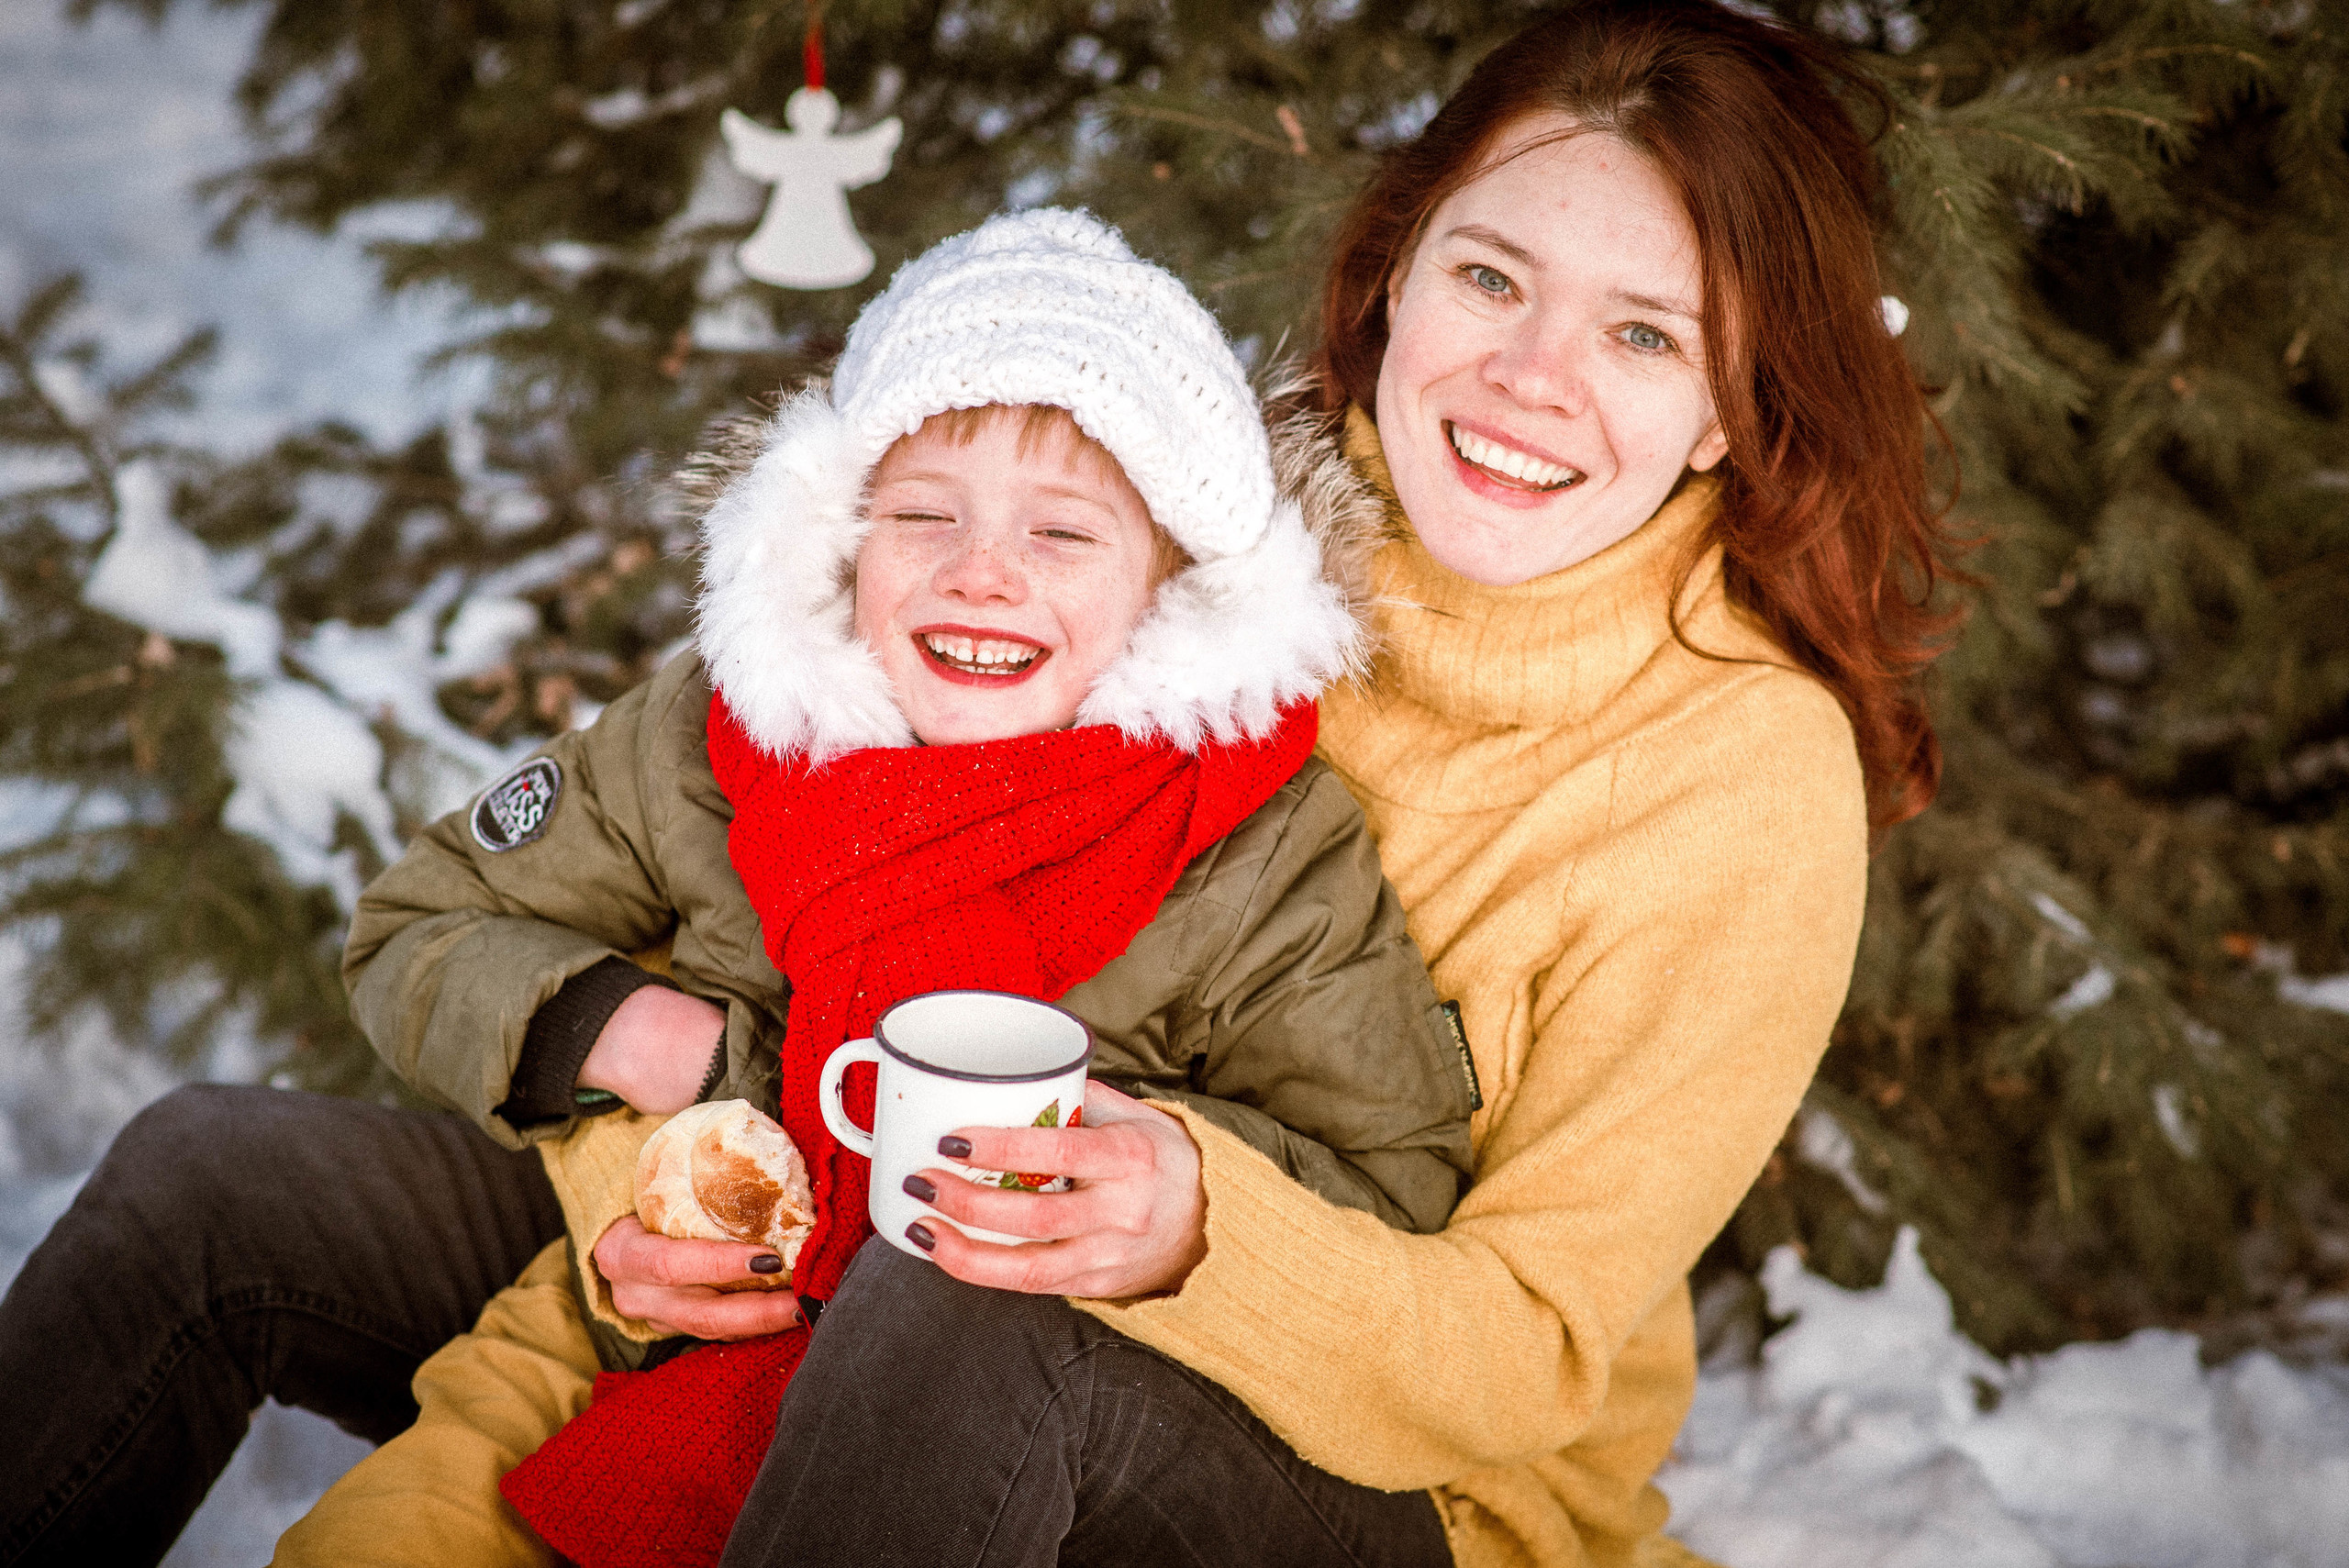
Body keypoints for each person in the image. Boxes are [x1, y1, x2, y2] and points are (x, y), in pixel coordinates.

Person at [0, 4, 1963, 1565]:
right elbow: (735, 877)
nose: (1532, 376)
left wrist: (1193, 1227)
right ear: (1391, 275)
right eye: (1491, 277)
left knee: (968, 1293)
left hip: (1375, 1477)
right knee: (216, 1183)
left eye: (1641, 331)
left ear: (1730, 398)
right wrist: (660, 1186)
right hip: (808, 1230)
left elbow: (1527, 1350)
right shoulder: (1180, 516)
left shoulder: (1733, 780)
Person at [269, 206, 1475, 1567]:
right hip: (734, 1329)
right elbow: (420, 924)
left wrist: (1179, 1184)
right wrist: (640, 1038)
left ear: (1170, 587)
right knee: (214, 1167)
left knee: (939, 1296)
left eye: (1064, 534)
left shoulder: (1252, 840)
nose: (982, 572)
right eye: (923, 514)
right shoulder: (734, 736)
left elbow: (1400, 1184)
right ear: (845, 536)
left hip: (1087, 1421)